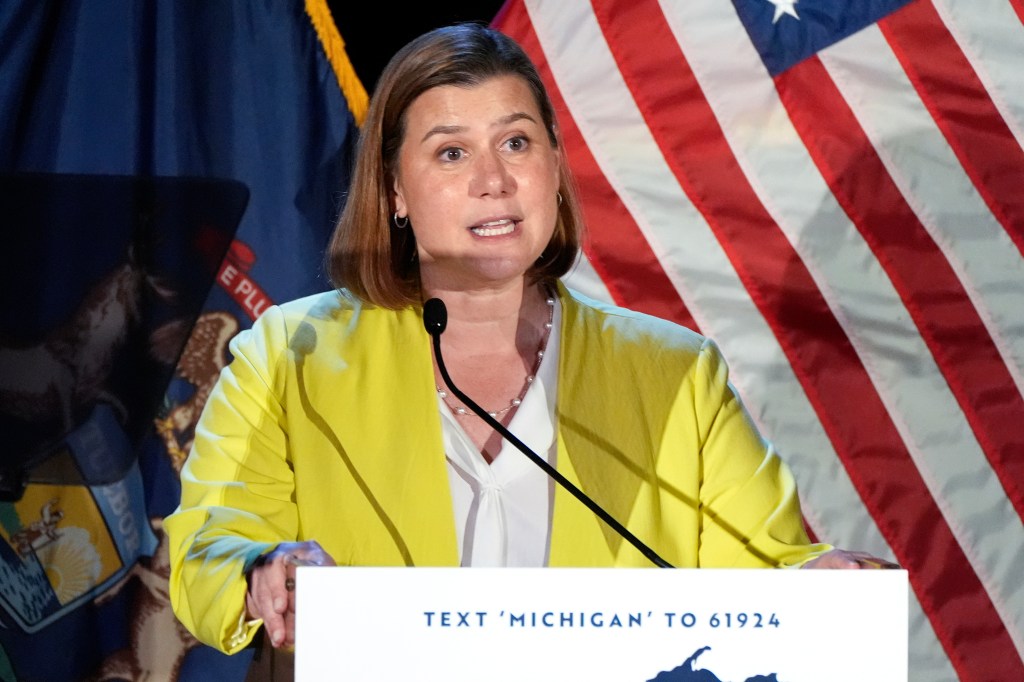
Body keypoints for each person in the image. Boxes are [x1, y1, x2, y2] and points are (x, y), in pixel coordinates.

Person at [165, 21, 897, 661]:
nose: (494, 180)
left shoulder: (676, 373)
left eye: (516, 142)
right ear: (393, 191)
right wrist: (264, 570)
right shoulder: (286, 358)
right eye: (451, 153)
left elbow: (764, 574)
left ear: (552, 163)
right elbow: (206, 554)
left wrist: (817, 591)